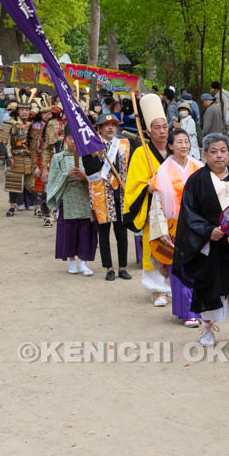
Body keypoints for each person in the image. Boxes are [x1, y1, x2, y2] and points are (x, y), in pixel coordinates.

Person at [173, 133, 229, 351]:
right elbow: (189, 214)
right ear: (205, 154)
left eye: (223, 150)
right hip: (211, 245)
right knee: (208, 287)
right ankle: (208, 329)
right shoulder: (196, 181)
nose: (219, 156)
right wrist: (207, 231)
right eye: (213, 151)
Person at [149, 127, 203, 328]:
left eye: (186, 141)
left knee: (198, 267)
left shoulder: (198, 167)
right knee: (179, 269)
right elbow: (157, 204)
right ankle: (187, 311)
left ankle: (199, 308)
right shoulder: (163, 171)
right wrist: (161, 231)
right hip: (174, 227)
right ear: (170, 146)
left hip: (197, 226)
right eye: (179, 142)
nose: (184, 145)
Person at [125, 94, 171, 306]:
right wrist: (148, 186)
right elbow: (133, 185)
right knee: (154, 247)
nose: (162, 131)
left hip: (174, 209)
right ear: (148, 132)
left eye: (164, 127)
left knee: (175, 246)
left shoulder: (175, 151)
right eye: (157, 127)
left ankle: (173, 286)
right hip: (152, 208)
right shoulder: (141, 154)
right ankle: (157, 290)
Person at [82, 113, 132, 281]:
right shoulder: (90, 146)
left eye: (113, 125)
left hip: (121, 195)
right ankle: (109, 267)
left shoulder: (124, 144)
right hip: (101, 195)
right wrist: (99, 155)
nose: (110, 128)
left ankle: (123, 267)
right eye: (106, 125)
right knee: (103, 233)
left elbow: (131, 166)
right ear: (99, 128)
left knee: (122, 233)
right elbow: (89, 170)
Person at [46, 127, 97, 276]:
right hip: (67, 197)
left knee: (85, 230)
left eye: (76, 139)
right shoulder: (58, 158)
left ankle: (84, 263)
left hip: (84, 196)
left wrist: (84, 176)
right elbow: (53, 179)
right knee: (69, 231)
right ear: (65, 140)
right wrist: (65, 175)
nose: (73, 142)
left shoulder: (87, 156)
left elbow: (96, 177)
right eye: (70, 139)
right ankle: (72, 262)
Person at [0, 97, 34, 218]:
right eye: (22, 109)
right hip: (15, 157)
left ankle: (37, 206)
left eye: (27, 109)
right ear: (17, 110)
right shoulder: (9, 123)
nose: (24, 112)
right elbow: (3, 140)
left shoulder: (34, 124)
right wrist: (8, 157)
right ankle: (12, 205)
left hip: (30, 157)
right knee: (13, 183)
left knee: (33, 183)